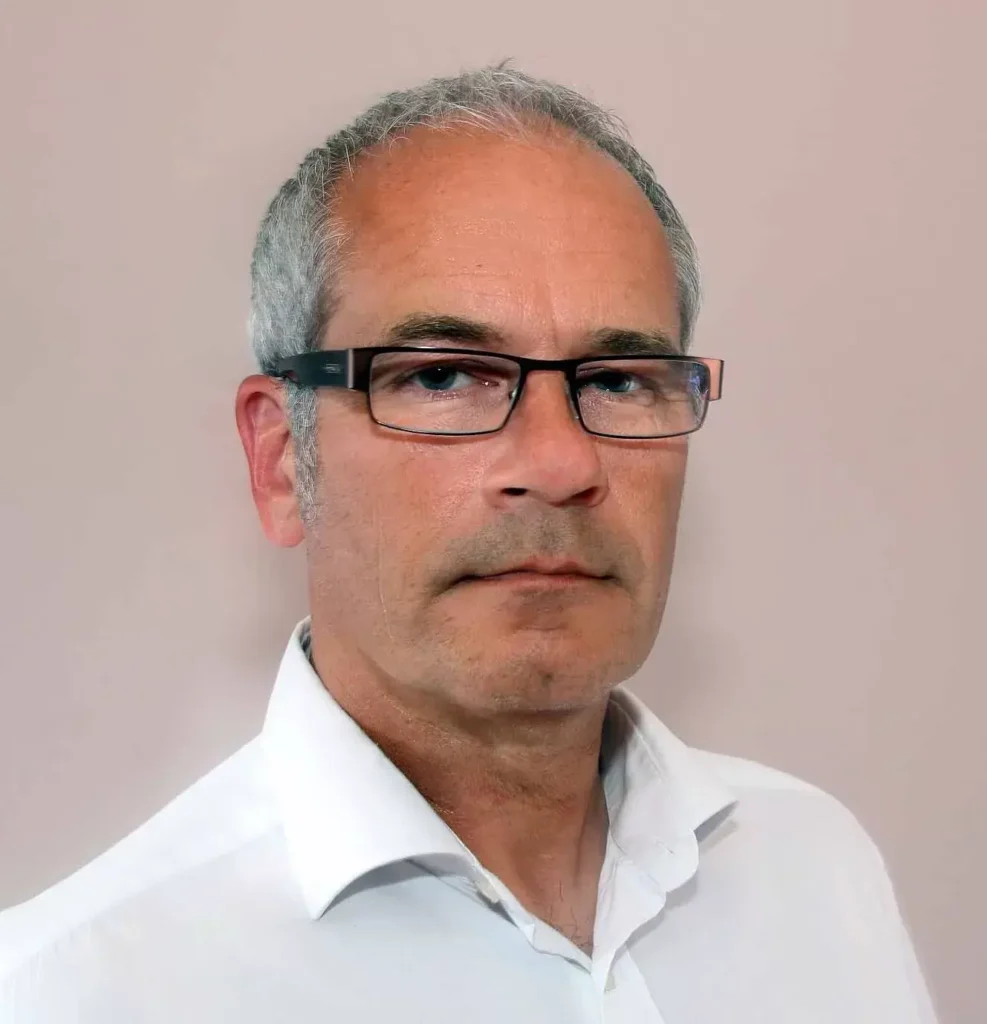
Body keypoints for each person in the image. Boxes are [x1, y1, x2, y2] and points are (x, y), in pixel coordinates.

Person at [0, 64, 939, 1022]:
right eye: (444, 375)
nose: (559, 461)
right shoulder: (82, 989)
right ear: (283, 460)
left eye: (617, 380)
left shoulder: (814, 870)